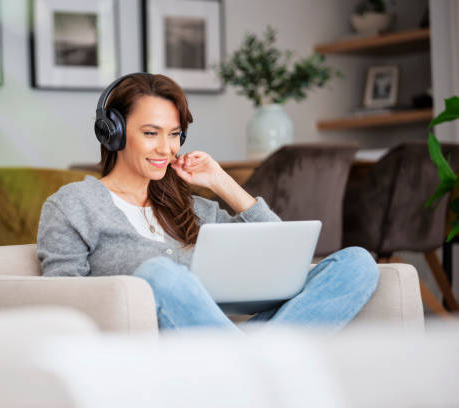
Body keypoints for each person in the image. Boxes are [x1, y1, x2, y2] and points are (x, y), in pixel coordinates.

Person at [37, 72, 379, 332]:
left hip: (214, 344)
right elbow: (64, 304)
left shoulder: (189, 206)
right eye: (151, 133)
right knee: (159, 274)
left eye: (174, 135)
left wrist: (222, 182)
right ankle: (256, 363)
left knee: (358, 263)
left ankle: (246, 362)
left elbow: (279, 255)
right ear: (113, 132)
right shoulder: (73, 204)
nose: (166, 148)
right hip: (149, 347)